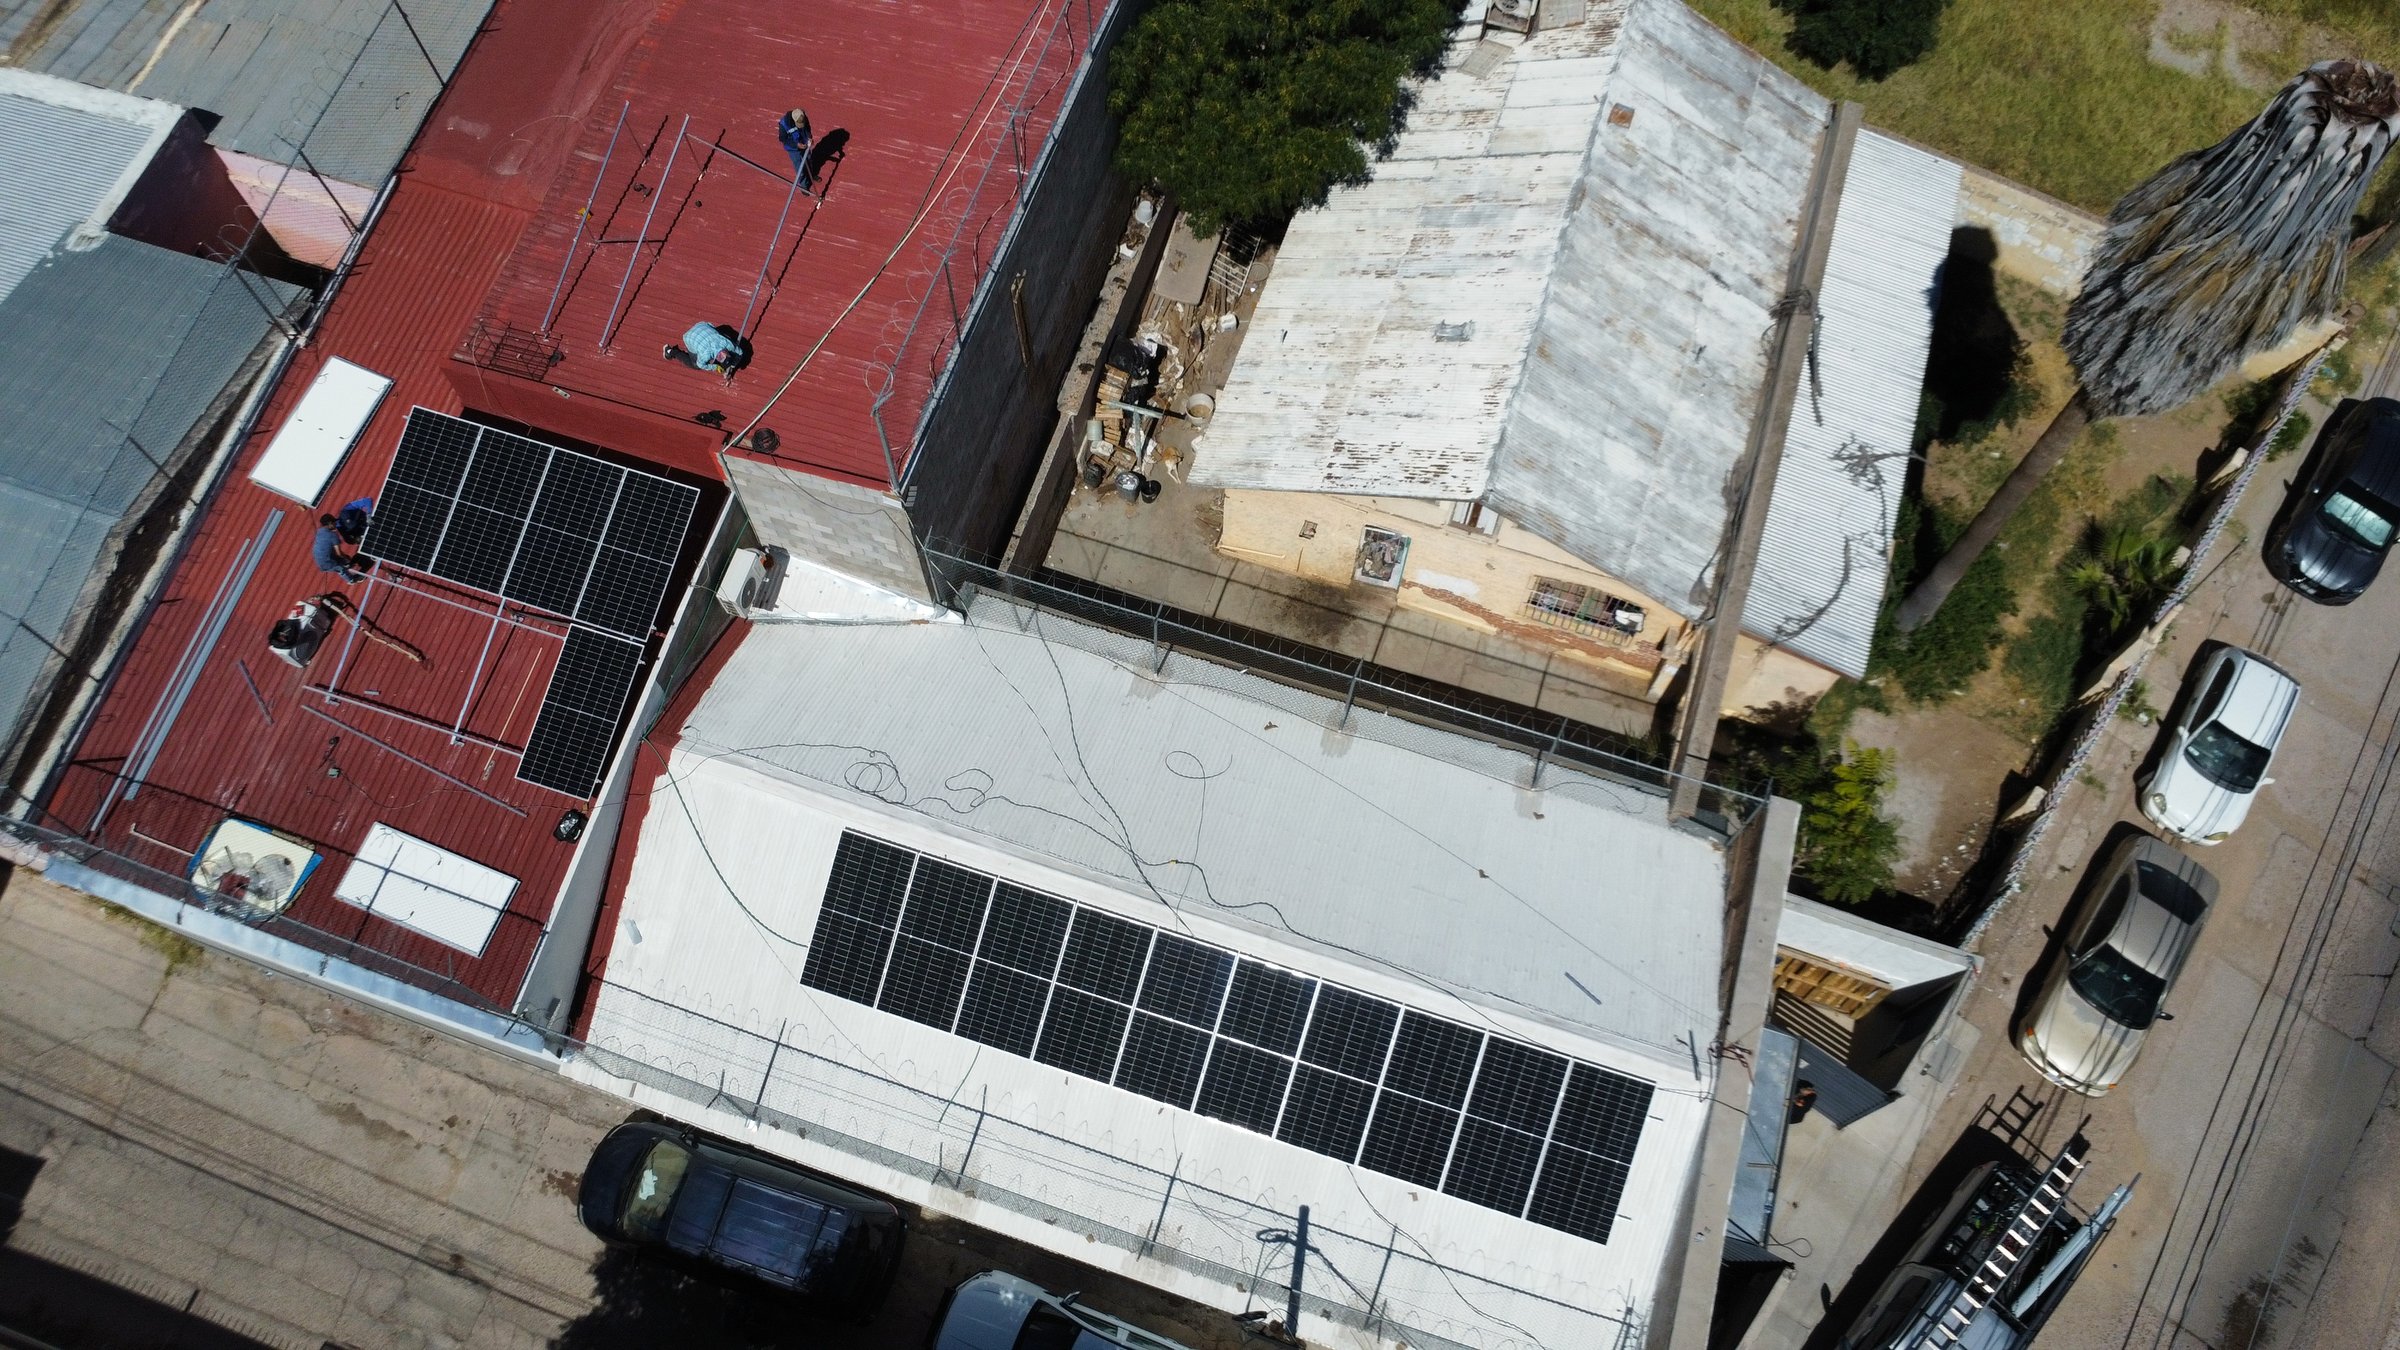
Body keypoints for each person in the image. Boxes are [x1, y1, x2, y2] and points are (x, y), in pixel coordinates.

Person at [662, 321, 746, 378]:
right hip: (689, 337)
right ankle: (671, 351)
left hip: (702, 325)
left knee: (720, 335)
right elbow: (700, 365)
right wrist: (715, 367)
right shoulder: (705, 355)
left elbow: (739, 351)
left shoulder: (726, 343)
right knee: (694, 365)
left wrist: (734, 364)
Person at [312, 515, 366, 582]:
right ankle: (352, 580)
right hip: (326, 562)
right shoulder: (332, 535)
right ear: (330, 523)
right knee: (340, 568)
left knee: (342, 561)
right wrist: (347, 559)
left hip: (319, 557)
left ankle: (348, 566)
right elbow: (339, 553)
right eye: (334, 522)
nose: (335, 524)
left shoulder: (320, 531)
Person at [776, 108, 814, 191]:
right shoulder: (784, 125)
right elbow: (783, 139)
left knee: (809, 160)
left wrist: (809, 137)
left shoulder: (803, 117)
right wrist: (796, 145)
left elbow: (807, 128)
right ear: (793, 120)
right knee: (800, 168)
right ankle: (804, 187)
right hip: (793, 149)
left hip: (804, 144)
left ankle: (811, 176)